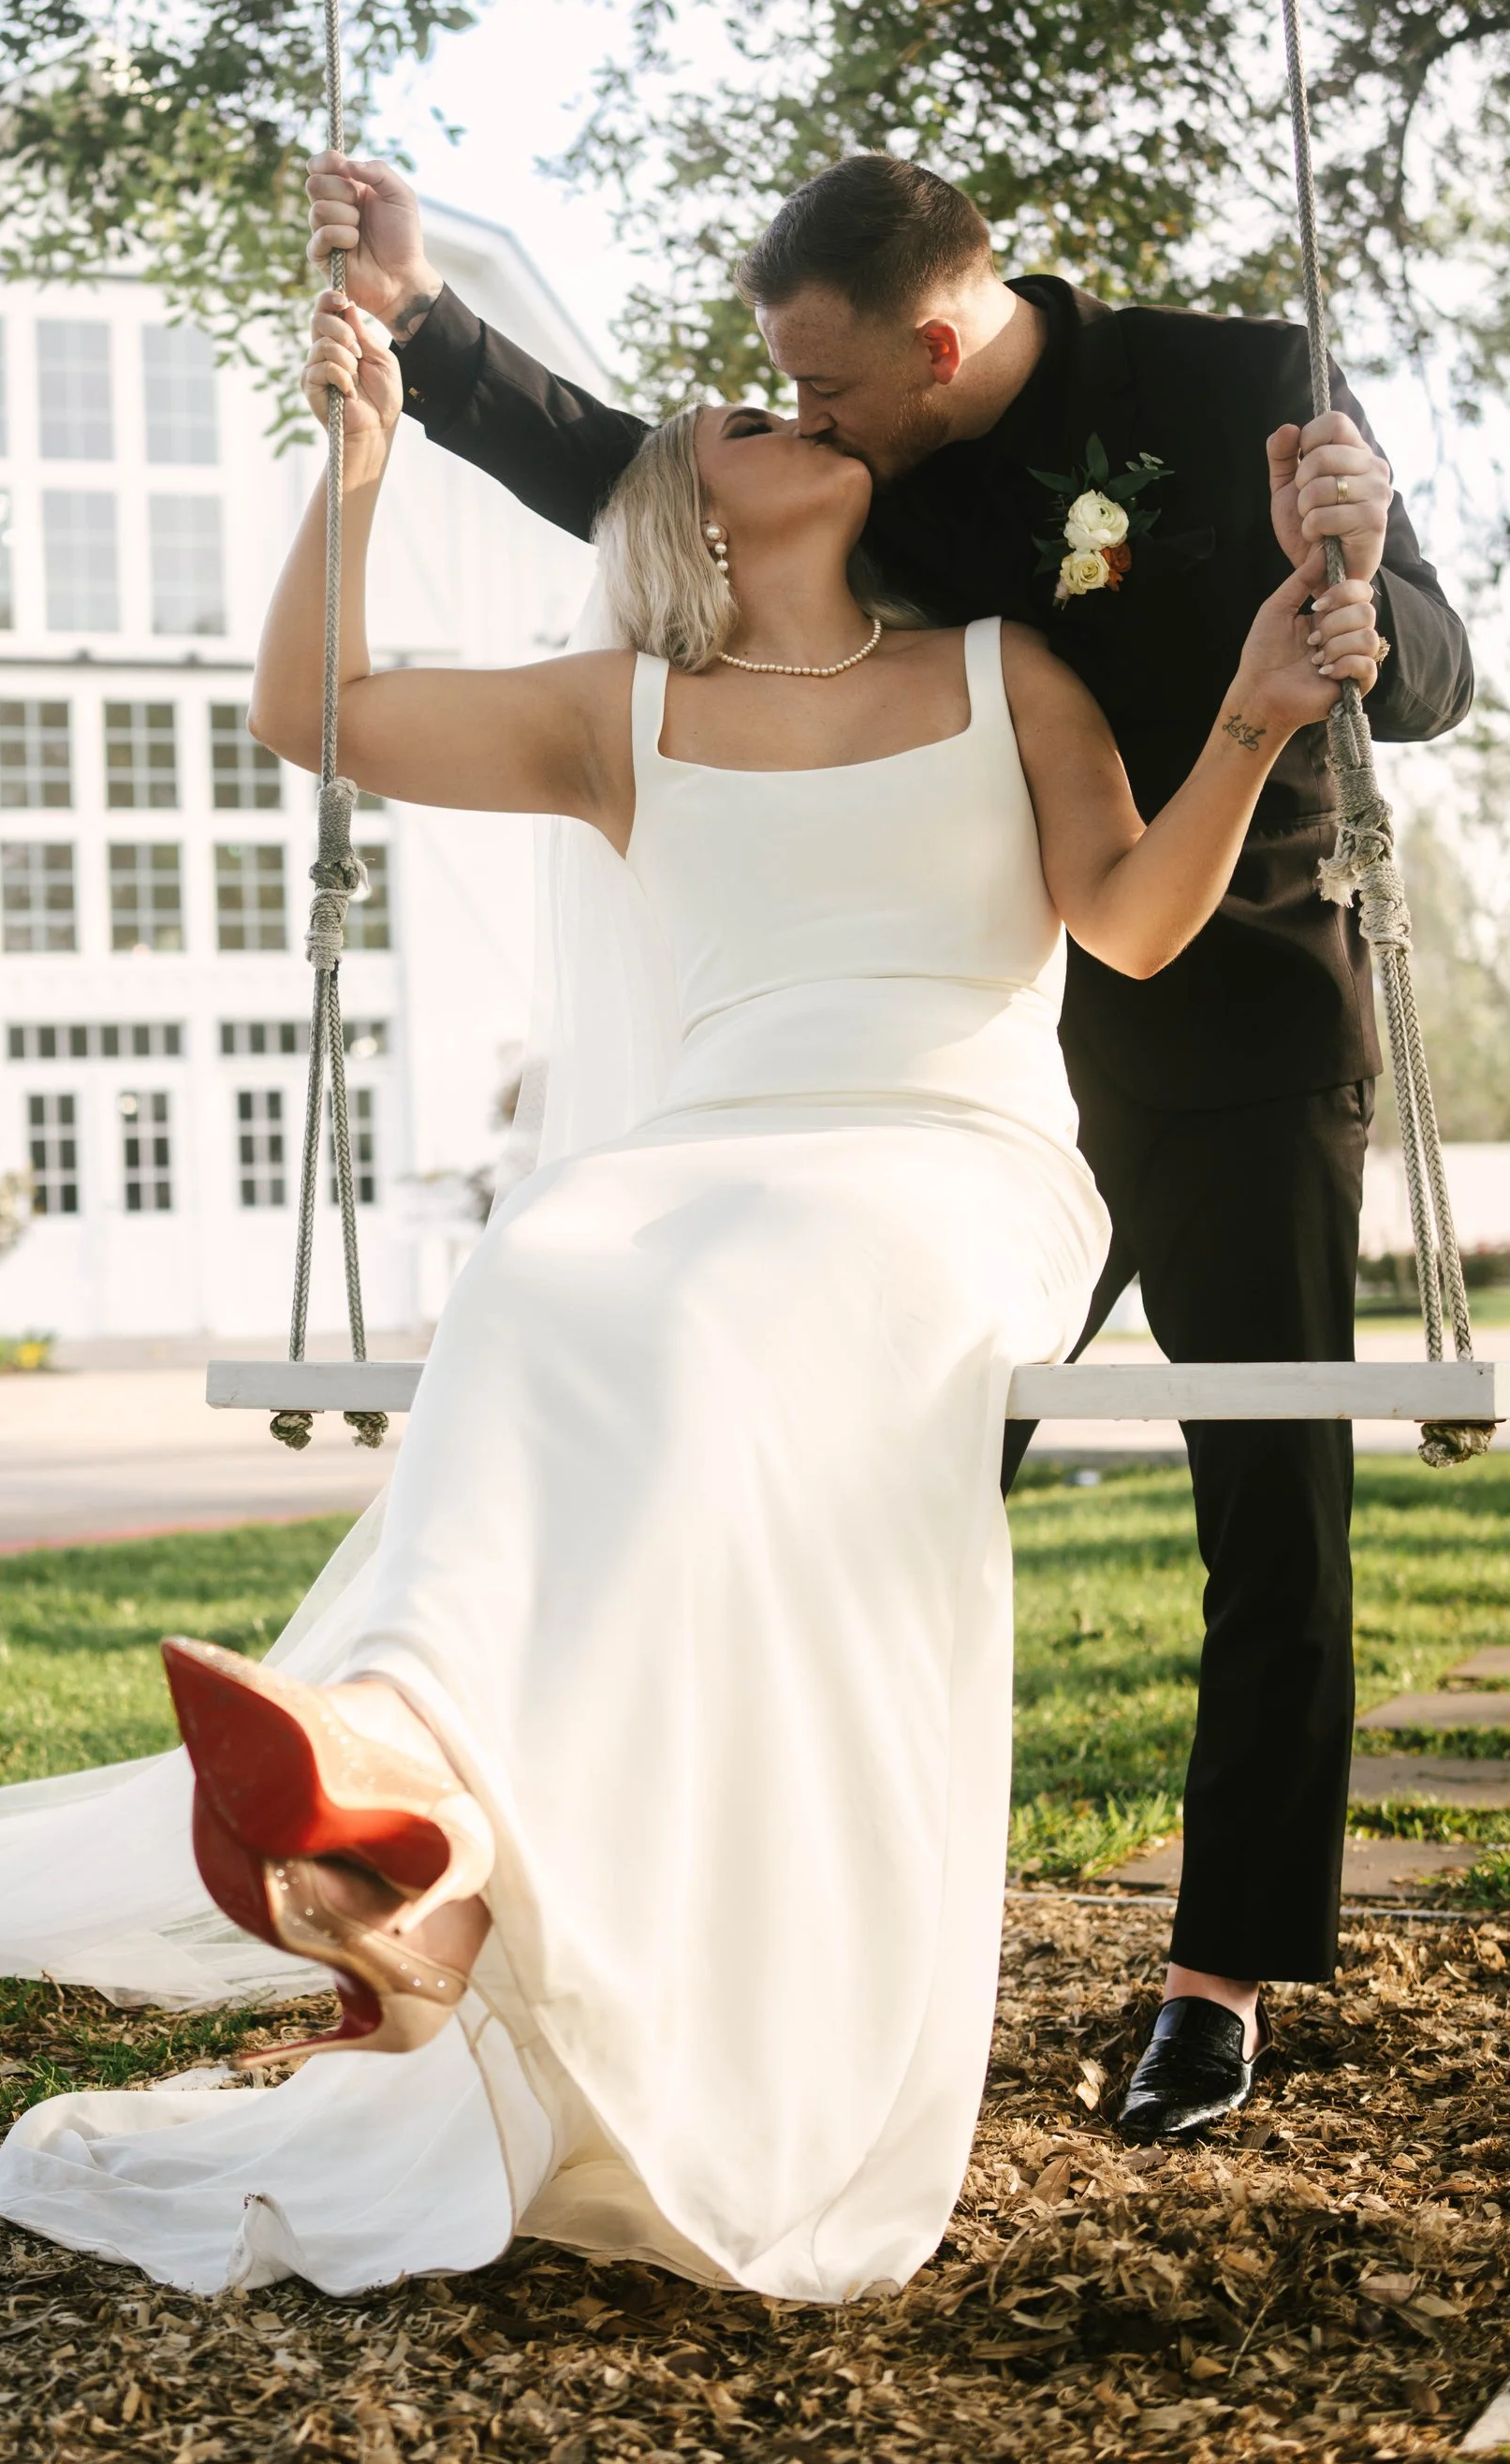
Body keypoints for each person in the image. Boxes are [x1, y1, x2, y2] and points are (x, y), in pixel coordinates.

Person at [0, 287, 1382, 2302]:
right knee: (551, 1257)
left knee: (706, 1307)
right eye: (725, 412)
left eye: (773, 394)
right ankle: (400, 1825)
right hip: (703, 1158)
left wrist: (1258, 719)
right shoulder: (617, 708)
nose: (756, 411)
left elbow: (1130, 921)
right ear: (683, 521)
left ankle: (437, 1825)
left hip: (942, 1160)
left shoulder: (1005, 667)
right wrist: (349, 476)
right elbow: (304, 705)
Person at [305, 150, 1473, 2142]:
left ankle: (1212, 1975)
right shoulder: (864, 458)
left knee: (1264, 1511)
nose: (800, 418)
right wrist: (419, 326)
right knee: (823, 1486)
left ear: (933, 346)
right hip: (955, 1050)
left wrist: (1352, 579)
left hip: (1221, 1027)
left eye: (824, 390)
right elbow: (632, 468)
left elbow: (1433, 682)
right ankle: (694, 1917)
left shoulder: (1237, 384)